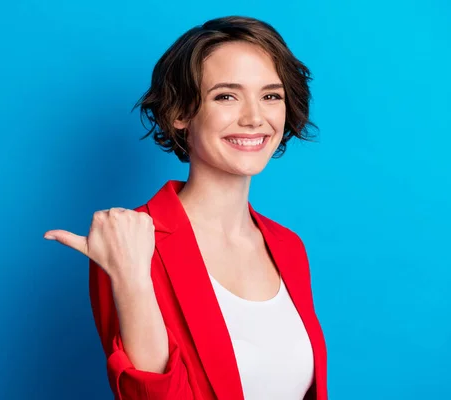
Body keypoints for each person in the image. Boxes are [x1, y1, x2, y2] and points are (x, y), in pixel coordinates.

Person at [45, 15, 327, 400]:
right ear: (180, 113)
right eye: (226, 96)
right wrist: (132, 279)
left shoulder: (288, 246)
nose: (254, 118)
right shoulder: (131, 242)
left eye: (270, 95)